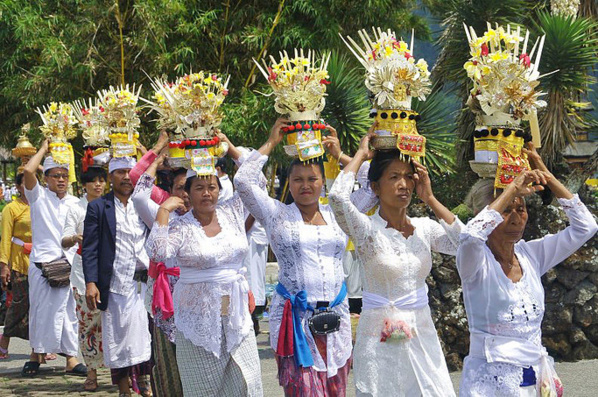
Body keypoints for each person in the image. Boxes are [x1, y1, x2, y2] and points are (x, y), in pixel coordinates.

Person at [234, 119, 375, 396]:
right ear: (289, 183)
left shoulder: (339, 211)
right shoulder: (276, 213)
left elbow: (373, 187)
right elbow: (243, 181)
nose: (305, 185)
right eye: (298, 179)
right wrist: (272, 142)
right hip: (295, 321)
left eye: (312, 179)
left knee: (336, 391)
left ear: (323, 181)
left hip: (337, 318)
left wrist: (342, 156)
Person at [328, 132, 463, 396]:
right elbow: (337, 199)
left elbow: (465, 243)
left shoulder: (424, 228)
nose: (403, 184)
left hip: (422, 337)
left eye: (408, 177)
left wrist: (431, 199)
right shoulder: (366, 231)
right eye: (393, 177)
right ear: (375, 188)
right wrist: (361, 155)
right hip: (378, 342)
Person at [457, 145, 597, 396]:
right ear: (485, 215)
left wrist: (547, 175)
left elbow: (585, 227)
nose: (515, 217)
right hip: (489, 384)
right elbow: (469, 236)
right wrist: (512, 189)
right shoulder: (475, 262)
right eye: (505, 210)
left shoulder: (531, 255)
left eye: (520, 209)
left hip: (534, 379)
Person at [146, 138, 264, 397]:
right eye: (199, 187)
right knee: (203, 388)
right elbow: (158, 252)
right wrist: (164, 211)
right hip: (196, 320)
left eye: (212, 187)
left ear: (220, 190)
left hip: (236, 316)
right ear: (187, 192)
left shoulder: (233, 212)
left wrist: (230, 147)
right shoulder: (181, 226)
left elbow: (255, 180)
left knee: (246, 383)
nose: (207, 193)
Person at [82, 157, 152, 397]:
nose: (125, 177)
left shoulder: (144, 204)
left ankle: (145, 384)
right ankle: (124, 389)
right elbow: (90, 248)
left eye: (129, 172)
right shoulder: (99, 207)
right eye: (120, 172)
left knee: (146, 335)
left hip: (145, 283)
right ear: (110, 177)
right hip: (116, 286)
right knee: (119, 339)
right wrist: (91, 282)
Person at [22, 139, 86, 377]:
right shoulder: (38, 198)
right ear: (46, 178)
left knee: (69, 312)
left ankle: (71, 358)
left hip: (70, 267)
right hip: (42, 265)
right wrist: (44, 148)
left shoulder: (75, 203)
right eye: (55, 175)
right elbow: (28, 170)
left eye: (64, 175)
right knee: (39, 310)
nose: (60, 179)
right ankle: (35, 354)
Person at [131, 153, 188, 397]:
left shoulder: (212, 218)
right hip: (167, 303)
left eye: (191, 187)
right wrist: (156, 158)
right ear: (171, 191)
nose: (186, 194)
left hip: (197, 302)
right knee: (167, 363)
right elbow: (140, 195)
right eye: (180, 188)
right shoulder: (163, 215)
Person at [61, 166, 107, 391]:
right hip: (82, 274)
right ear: (84, 184)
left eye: (101, 180)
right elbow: (64, 239)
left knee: (115, 325)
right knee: (88, 325)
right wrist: (76, 238)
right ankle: (91, 372)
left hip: (110, 272)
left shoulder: (113, 205)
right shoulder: (76, 208)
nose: (98, 185)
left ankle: (125, 375)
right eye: (93, 181)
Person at [0, 174, 32, 359]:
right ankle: (4, 340)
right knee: (20, 302)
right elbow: (5, 239)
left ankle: (41, 347)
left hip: (42, 260)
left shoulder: (41, 205)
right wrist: (4, 266)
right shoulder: (11, 209)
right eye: (25, 183)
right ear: (18, 187)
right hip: (20, 262)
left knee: (41, 304)